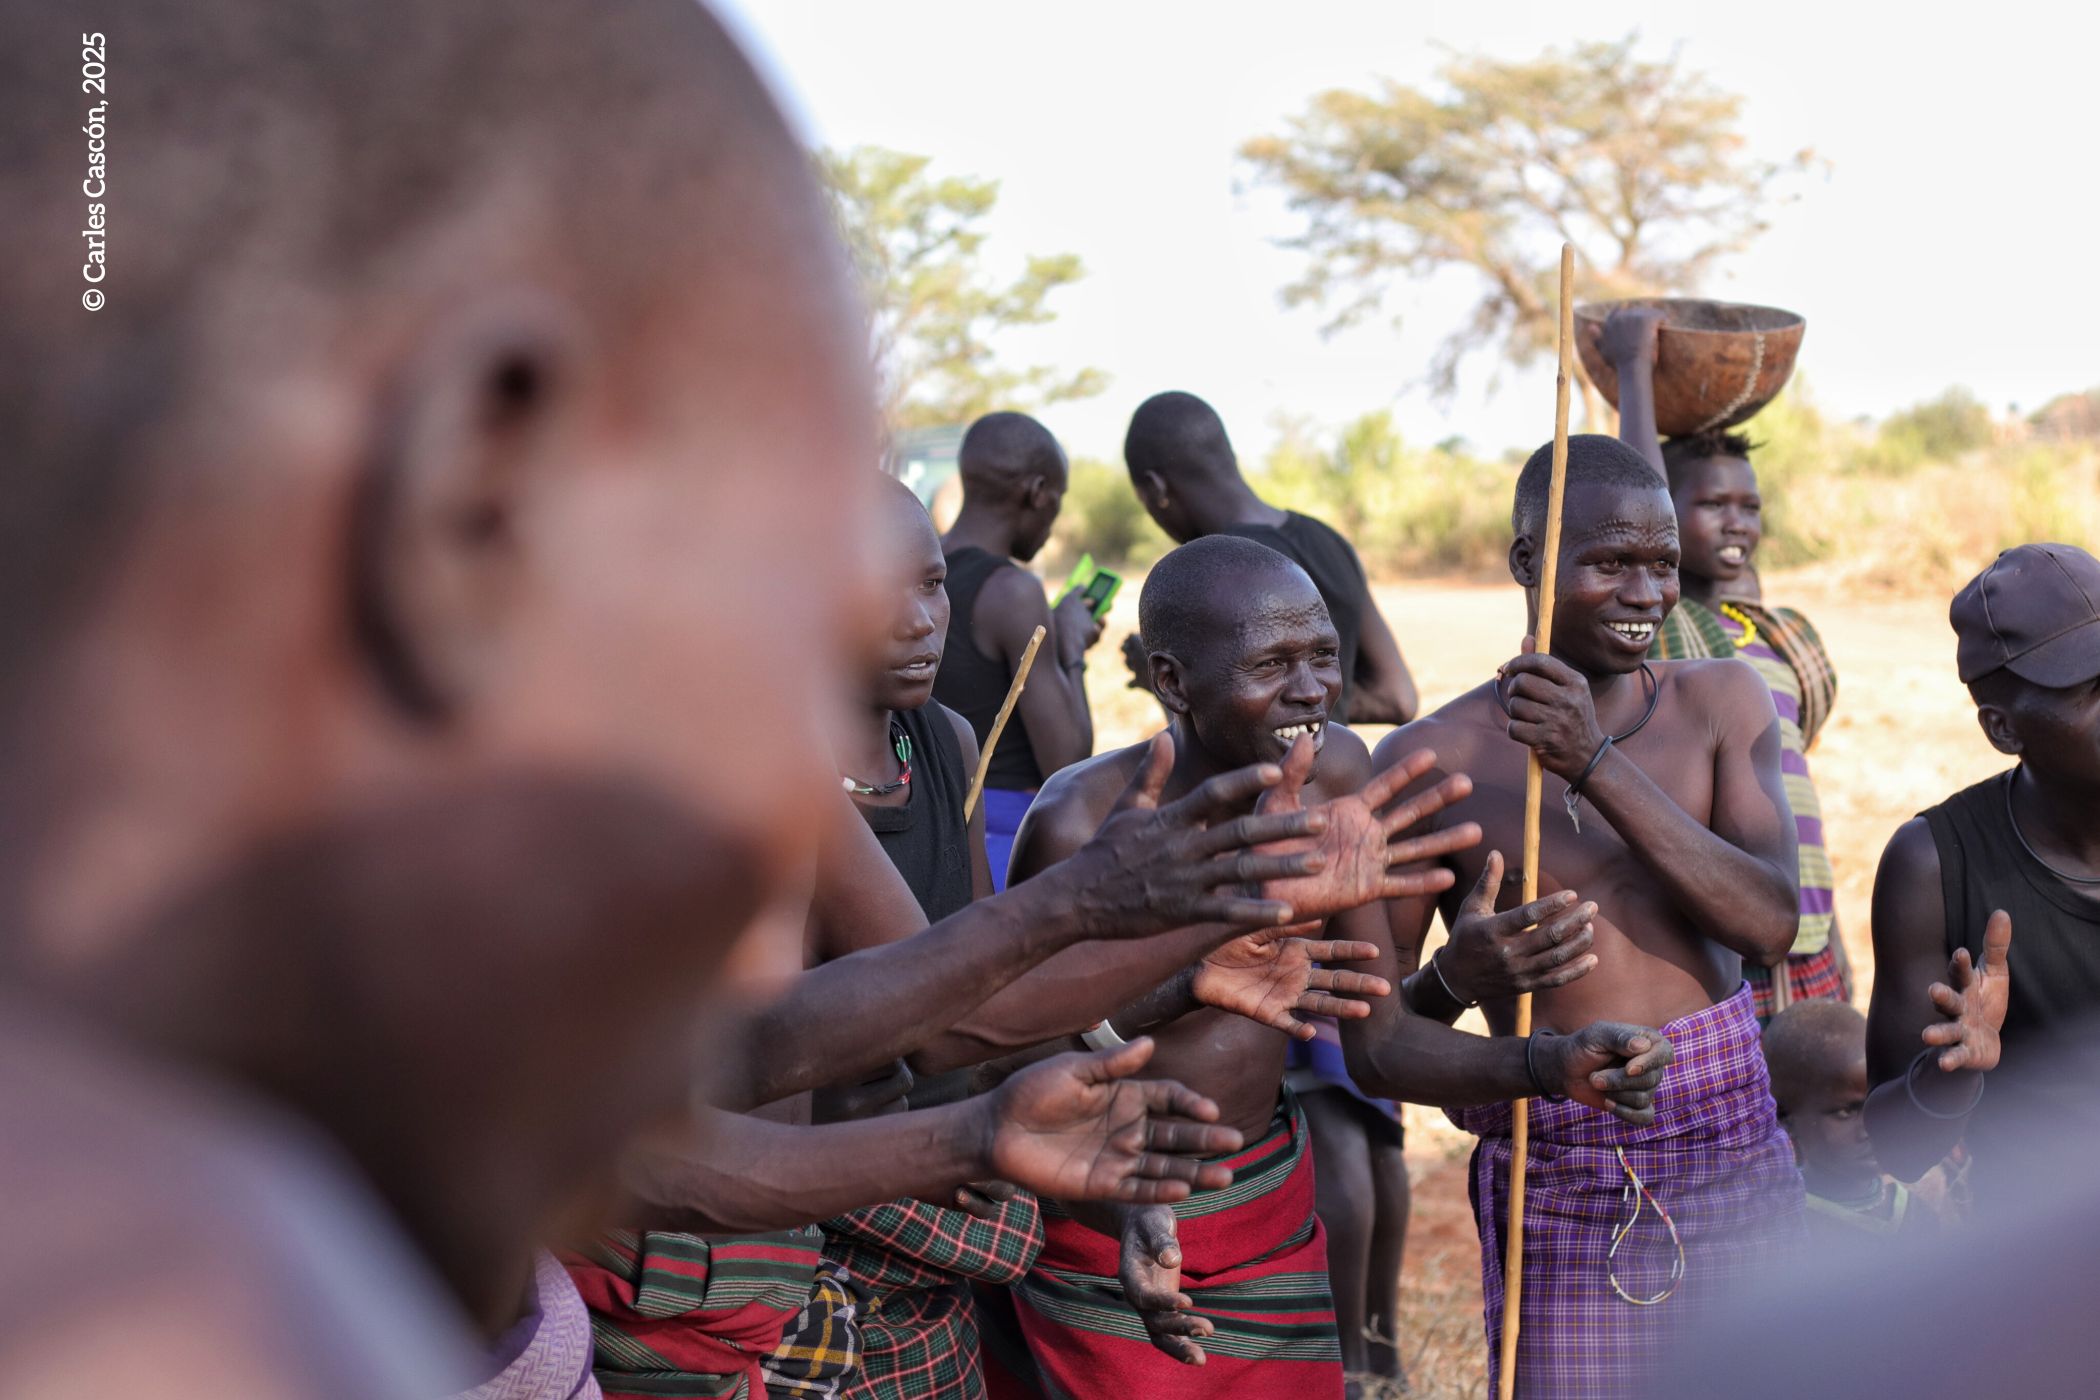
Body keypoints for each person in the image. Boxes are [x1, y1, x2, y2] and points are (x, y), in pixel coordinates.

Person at [0, 4, 1320, 1396]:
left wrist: (983, 1115)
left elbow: (690, 1102)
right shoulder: (155, 1311)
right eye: (785, 572)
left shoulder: (259, 1135)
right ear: (477, 498)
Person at [1347, 435, 1807, 1400]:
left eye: (1662, 564)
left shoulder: (1724, 701)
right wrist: (1460, 983)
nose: (1648, 593)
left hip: (1733, 1147)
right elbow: (1375, 1045)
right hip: (1558, 1174)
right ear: (1528, 564)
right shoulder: (1432, 762)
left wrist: (1594, 761)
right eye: (1610, 563)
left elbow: (1770, 925)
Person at [1003, 535, 1481, 1399]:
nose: (1312, 691)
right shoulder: (1080, 824)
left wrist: (1486, 1002)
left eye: (1324, 657)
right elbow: (1016, 1053)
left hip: (1268, 1208)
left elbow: (1378, 1043)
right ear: (1173, 682)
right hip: (1107, 1218)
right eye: (1273, 663)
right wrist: (1182, 982)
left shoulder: (1336, 771)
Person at [1597, 307, 1851, 1023]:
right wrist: (1634, 372)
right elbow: (1639, 490)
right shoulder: (1670, 634)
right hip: (1721, 942)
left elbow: (1797, 800)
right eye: (1710, 504)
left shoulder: (1770, 633)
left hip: (1810, 940)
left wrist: (1837, 940)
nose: (1737, 521)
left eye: (1750, 505)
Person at [1863, 543, 2100, 1208]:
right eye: (2091, 690)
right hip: (2044, 1261)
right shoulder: (1932, 865)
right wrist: (1950, 1076)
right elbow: (1900, 1152)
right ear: (2003, 729)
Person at [1122, 392, 1419, 726]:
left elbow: (1199, 741)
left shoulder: (1212, 573)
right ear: (1227, 456)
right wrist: (1325, 706)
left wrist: (1162, 686)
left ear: (1156, 488)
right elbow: (1399, 699)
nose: (1307, 691)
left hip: (1260, 779)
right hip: (1339, 774)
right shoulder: (1329, 541)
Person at [936, 413, 1102, 888]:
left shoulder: (918, 565)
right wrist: (1070, 645)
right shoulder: (1014, 591)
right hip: (1005, 845)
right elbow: (1067, 764)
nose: (1054, 518)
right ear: (1036, 491)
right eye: (1059, 498)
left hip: (936, 827)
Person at [1762, 1001, 1940, 1242]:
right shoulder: (1783, 1226)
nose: (1870, 1128)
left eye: (1877, 1101)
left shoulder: (1914, 1212)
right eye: (1846, 1112)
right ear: (1785, 1118)